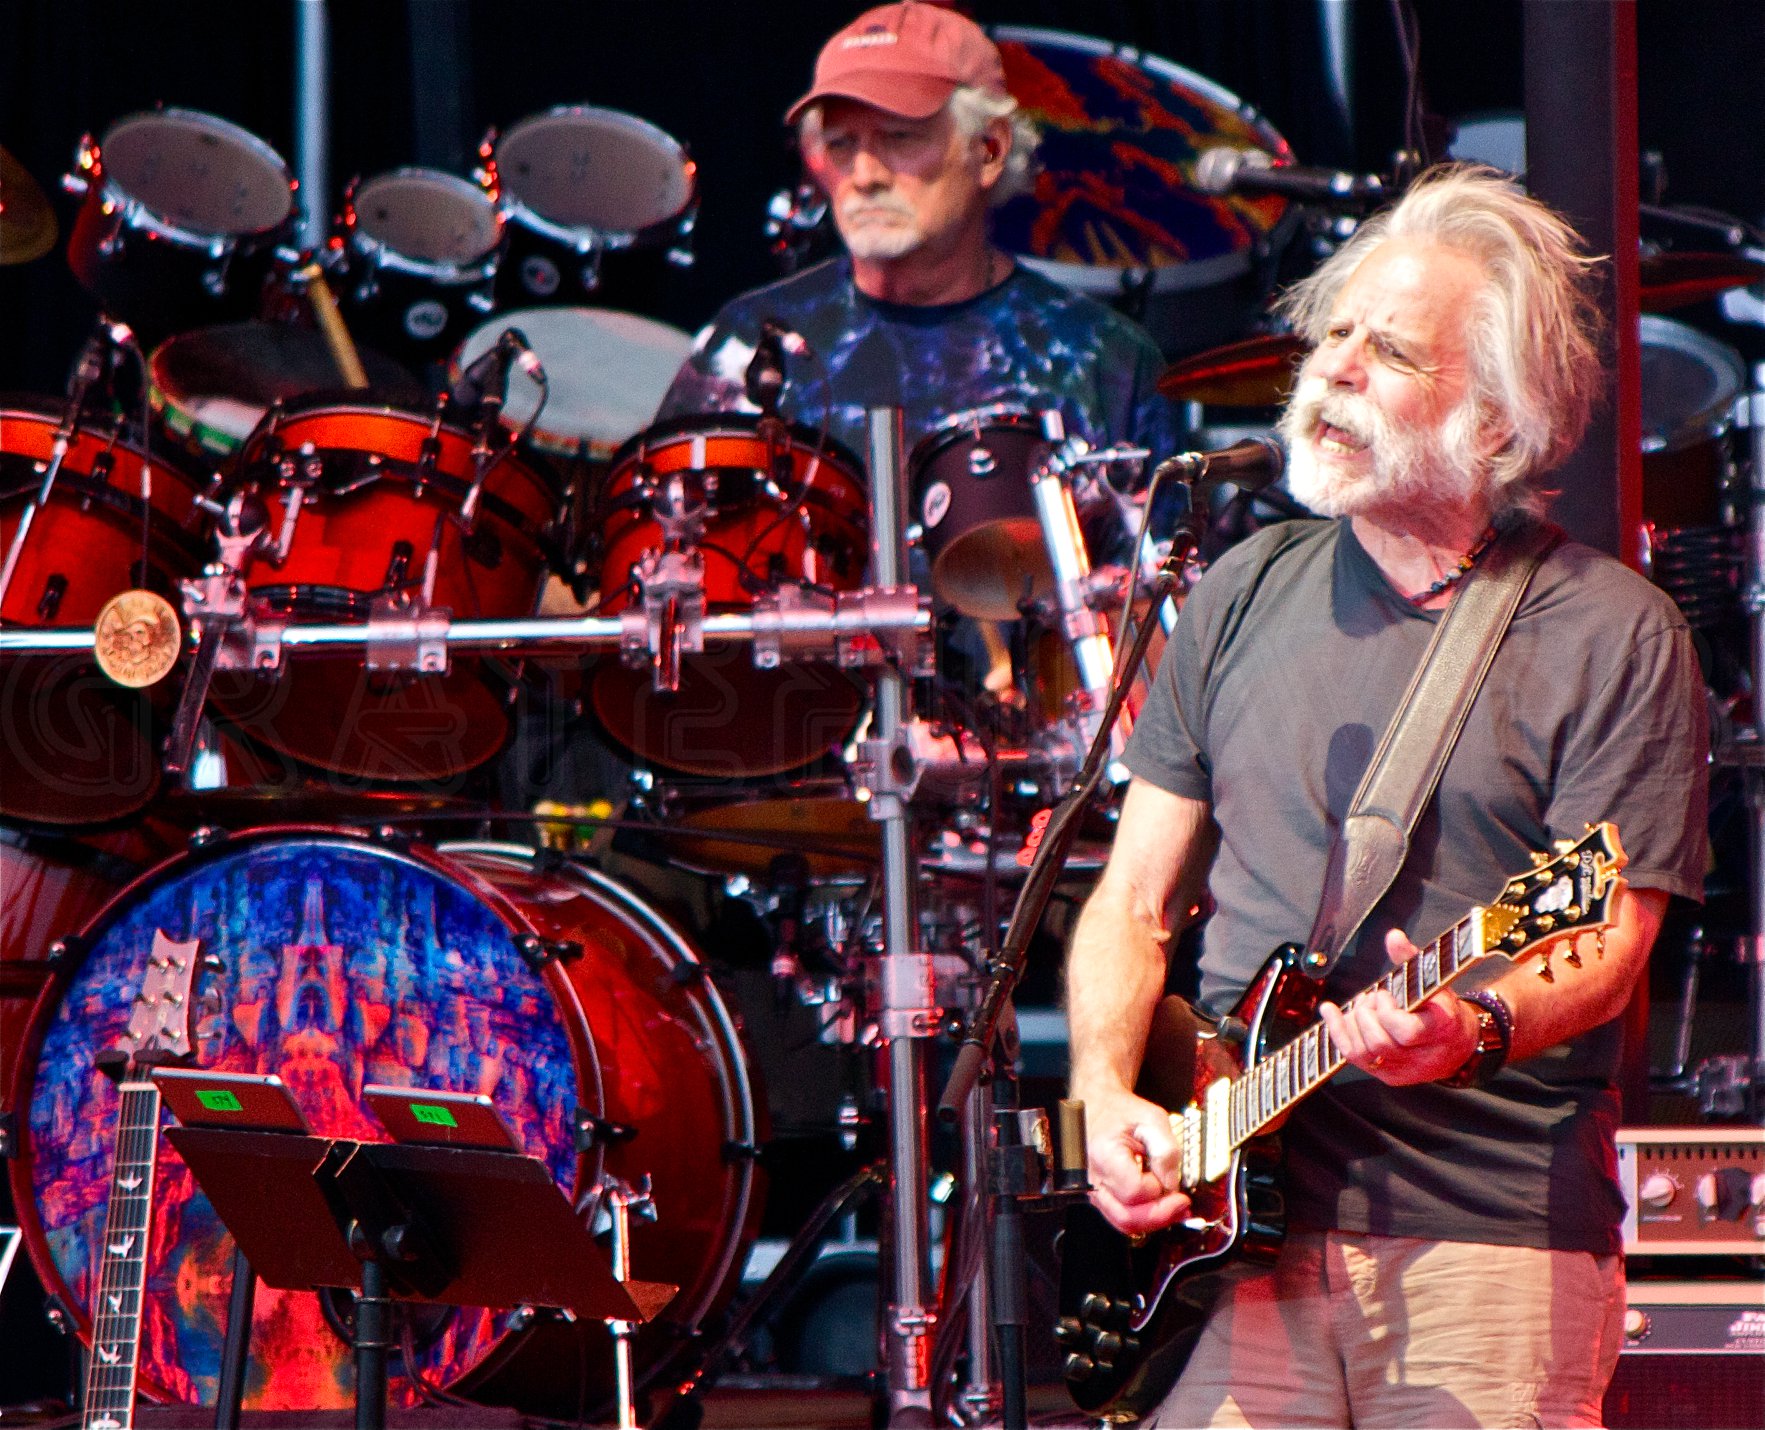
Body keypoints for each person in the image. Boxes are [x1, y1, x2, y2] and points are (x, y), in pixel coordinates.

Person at [1064, 164, 1709, 1427]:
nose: (1337, 367)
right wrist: (1105, 1095)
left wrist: (1470, 1025)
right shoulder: (1238, 589)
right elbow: (1131, 903)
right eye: (1334, 334)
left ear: (1496, 419)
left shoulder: (1609, 631)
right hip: (1226, 1237)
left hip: (1482, 1237)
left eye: (1392, 349)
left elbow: (1606, 940)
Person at [656, 0, 1178, 491]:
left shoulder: (1105, 360)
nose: (865, 175)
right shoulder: (746, 344)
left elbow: (1157, 555)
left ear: (989, 150)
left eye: (899, 137)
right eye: (841, 143)